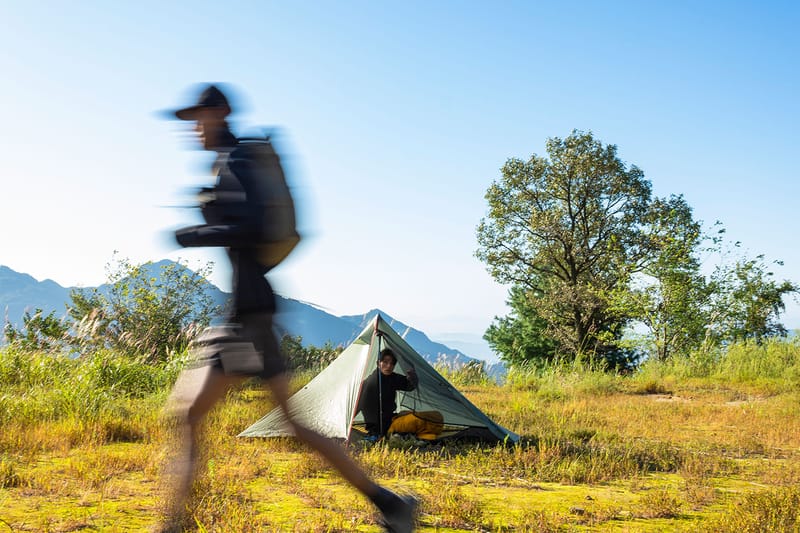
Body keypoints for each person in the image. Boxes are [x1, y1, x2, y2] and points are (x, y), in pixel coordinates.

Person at [157, 84, 417, 533]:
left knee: (187, 416)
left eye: (197, 117)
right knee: (287, 425)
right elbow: (243, 226)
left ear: (218, 112)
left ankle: (173, 525)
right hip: (250, 311)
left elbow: (253, 227)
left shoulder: (237, 161)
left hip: (247, 318)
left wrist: (199, 232)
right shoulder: (229, 163)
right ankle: (390, 505)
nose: (192, 129)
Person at [358, 348, 418, 439]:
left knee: (417, 416)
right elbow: (358, 406)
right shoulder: (369, 383)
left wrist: (412, 376)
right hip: (378, 426)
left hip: (391, 419)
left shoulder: (392, 378)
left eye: (392, 363)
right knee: (415, 422)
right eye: (385, 362)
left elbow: (409, 386)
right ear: (378, 363)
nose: (389, 366)